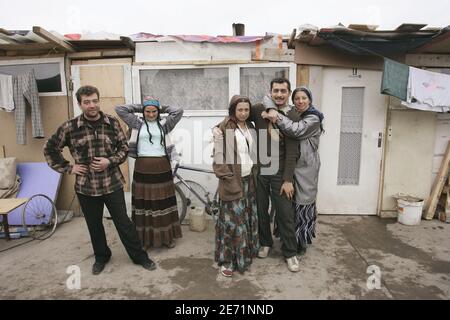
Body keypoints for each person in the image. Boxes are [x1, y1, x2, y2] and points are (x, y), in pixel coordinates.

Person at [44, 85, 156, 275]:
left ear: (99, 101)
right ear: (80, 104)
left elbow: (124, 149)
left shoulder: (112, 123)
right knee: (94, 225)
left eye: (95, 101)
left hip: (112, 184)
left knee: (124, 223)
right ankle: (102, 257)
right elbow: (50, 149)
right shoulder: (70, 127)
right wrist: (69, 168)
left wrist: (109, 161)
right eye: (87, 102)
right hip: (86, 187)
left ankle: (140, 257)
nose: (92, 105)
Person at [262, 86, 323, 255]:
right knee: (287, 205)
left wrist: (276, 116)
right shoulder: (294, 114)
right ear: (293, 100)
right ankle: (286, 237)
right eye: (297, 98)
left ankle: (301, 240)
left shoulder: (313, 118)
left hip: (305, 169)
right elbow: (267, 97)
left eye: (304, 98)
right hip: (290, 167)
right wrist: (272, 109)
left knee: (303, 205)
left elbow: (296, 130)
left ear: (310, 100)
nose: (300, 101)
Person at [115, 96, 183, 249]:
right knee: (144, 204)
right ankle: (145, 239)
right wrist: (142, 106)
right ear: (143, 112)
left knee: (162, 203)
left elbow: (178, 111)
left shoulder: (164, 124)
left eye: (154, 111)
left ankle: (166, 238)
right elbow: (120, 109)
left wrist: (160, 106)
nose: (151, 114)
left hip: (162, 167)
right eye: (148, 111)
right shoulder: (136, 123)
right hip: (142, 168)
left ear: (158, 112)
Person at [249, 78, 300, 273]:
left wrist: (288, 179)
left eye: (283, 91)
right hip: (261, 170)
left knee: (285, 214)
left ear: (288, 93)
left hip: (280, 172)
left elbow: (293, 151)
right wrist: (219, 127)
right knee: (261, 210)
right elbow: (237, 111)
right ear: (270, 92)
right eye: (276, 91)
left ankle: (290, 252)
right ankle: (265, 243)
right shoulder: (259, 110)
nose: (279, 94)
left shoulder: (292, 115)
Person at [212, 95, 259, 277]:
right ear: (233, 110)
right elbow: (218, 159)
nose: (243, 113)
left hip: (249, 180)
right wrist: (228, 178)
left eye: (247, 109)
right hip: (233, 182)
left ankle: (244, 255)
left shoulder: (251, 127)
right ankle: (228, 261)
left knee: (246, 219)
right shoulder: (225, 128)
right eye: (240, 109)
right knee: (233, 223)